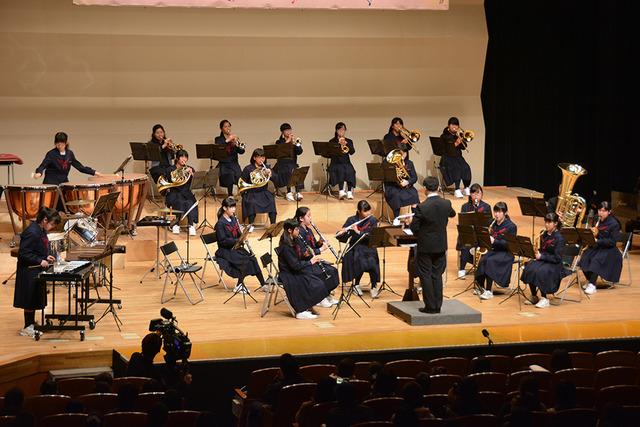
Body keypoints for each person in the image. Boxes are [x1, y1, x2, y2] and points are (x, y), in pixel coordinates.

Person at [408, 176, 456, 314]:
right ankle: (438, 305)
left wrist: (418, 227)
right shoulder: (446, 203)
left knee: (426, 275)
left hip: (426, 246)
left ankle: (430, 306)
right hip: (441, 245)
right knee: (437, 275)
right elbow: (452, 214)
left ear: (425, 190)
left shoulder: (422, 207)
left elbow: (414, 228)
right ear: (438, 188)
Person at [276, 220, 339, 319]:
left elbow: (298, 257)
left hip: (296, 270)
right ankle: (300, 311)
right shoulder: (285, 246)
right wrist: (310, 262)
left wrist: (306, 255)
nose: (298, 231)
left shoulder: (294, 240)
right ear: (289, 230)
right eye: (296, 229)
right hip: (288, 274)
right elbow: (295, 265)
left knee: (318, 282)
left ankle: (308, 306)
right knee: (313, 283)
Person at [13, 207, 60, 338]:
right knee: (28, 299)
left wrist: (46, 257)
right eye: (52, 224)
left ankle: (31, 323)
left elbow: (38, 248)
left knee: (33, 298)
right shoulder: (32, 232)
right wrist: (40, 260)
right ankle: (27, 327)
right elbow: (23, 253)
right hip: (28, 270)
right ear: (45, 220)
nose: (52, 227)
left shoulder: (40, 230)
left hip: (35, 268)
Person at [34, 132, 102, 211]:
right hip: (51, 184)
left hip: (63, 183)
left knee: (66, 206)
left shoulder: (69, 154)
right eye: (57, 143)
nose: (59, 146)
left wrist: (94, 172)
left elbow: (80, 167)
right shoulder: (51, 154)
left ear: (66, 143)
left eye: (61, 143)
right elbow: (43, 165)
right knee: (51, 208)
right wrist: (39, 172)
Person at [215, 197, 266, 293]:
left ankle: (263, 284)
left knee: (253, 258)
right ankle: (238, 286)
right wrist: (237, 240)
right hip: (225, 250)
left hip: (236, 247)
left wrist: (244, 233)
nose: (234, 209)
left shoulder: (233, 219)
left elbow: (238, 234)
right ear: (225, 208)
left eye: (234, 207)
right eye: (231, 207)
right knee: (245, 261)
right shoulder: (220, 224)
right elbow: (223, 241)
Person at [295, 207, 339, 307]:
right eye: (308, 216)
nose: (311, 218)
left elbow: (313, 245)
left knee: (332, 270)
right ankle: (319, 298)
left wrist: (320, 242)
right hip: (305, 262)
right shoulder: (298, 233)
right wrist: (321, 249)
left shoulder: (309, 230)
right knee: (321, 273)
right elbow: (305, 252)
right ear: (301, 218)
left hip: (313, 260)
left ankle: (326, 295)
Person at [521, 212, 567, 308]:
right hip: (544, 260)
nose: (546, 224)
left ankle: (544, 298)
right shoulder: (543, 234)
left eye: (549, 222)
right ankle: (534, 296)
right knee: (529, 267)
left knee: (541, 271)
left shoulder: (560, 238)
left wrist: (542, 257)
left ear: (555, 223)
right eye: (546, 222)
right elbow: (542, 250)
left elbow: (557, 258)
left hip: (555, 264)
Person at [336, 200, 380, 298]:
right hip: (355, 246)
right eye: (365, 211)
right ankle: (356, 284)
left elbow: (372, 236)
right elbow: (343, 237)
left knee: (372, 259)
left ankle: (374, 286)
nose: (368, 213)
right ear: (359, 211)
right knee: (359, 258)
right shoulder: (351, 220)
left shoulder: (372, 220)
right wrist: (343, 232)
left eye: (369, 211)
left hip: (368, 245)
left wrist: (358, 232)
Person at [475, 202, 517, 300]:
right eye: (495, 211)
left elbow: (509, 244)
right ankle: (481, 286)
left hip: (506, 253)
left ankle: (489, 291)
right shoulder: (492, 223)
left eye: (499, 212)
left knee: (490, 261)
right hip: (495, 250)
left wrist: (495, 241)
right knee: (483, 260)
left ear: (505, 213)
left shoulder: (511, 226)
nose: (496, 214)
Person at [579, 201, 623, 295]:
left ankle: (592, 284)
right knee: (584, 258)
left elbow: (612, 242)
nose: (601, 213)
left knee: (596, 260)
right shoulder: (596, 219)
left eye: (604, 211)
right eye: (599, 210)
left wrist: (598, 241)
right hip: (598, 246)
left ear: (609, 212)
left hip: (609, 249)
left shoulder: (614, 224)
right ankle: (589, 279)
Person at [456, 183, 492, 279]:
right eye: (473, 193)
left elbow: (489, 222)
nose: (476, 196)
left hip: (480, 233)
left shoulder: (486, 207)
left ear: (481, 194)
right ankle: (462, 268)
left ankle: (480, 265)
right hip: (469, 233)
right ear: (470, 195)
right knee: (464, 242)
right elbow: (462, 222)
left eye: (478, 193)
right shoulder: (465, 206)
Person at [163, 149, 198, 236]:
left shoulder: (190, 168)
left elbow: (194, 183)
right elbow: (171, 180)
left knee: (190, 202)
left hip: (186, 192)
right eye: (182, 157)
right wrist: (181, 172)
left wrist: (193, 175)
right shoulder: (170, 169)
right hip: (174, 192)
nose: (184, 159)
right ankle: (175, 225)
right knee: (179, 202)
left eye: (186, 157)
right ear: (177, 158)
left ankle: (191, 225)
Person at [240, 148, 278, 225]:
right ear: (254, 158)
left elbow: (276, 179)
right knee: (252, 202)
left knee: (271, 201)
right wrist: (244, 194)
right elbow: (242, 182)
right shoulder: (248, 169)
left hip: (263, 192)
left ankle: (273, 224)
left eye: (263, 157)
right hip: (251, 192)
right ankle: (251, 225)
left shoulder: (266, 168)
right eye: (259, 157)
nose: (262, 159)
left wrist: (271, 174)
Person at [439, 117, 472, 199]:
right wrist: (456, 142)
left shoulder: (458, 135)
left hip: (458, 157)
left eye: (456, 125)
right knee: (457, 168)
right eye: (453, 124)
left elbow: (464, 147)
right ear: (448, 125)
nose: (455, 126)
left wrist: (462, 140)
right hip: (447, 157)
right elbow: (448, 150)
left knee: (466, 167)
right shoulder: (444, 136)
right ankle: (457, 189)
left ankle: (466, 187)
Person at [384, 147, 420, 219]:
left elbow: (414, 178)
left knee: (414, 193)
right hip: (393, 187)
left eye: (404, 153)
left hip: (406, 186)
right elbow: (386, 178)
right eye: (400, 153)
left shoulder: (409, 163)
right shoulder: (389, 164)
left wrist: (407, 182)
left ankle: (416, 218)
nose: (402, 155)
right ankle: (397, 219)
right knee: (396, 196)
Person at [273, 123, 304, 201]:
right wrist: (288, 141)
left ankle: (297, 192)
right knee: (289, 169)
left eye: (290, 130)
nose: (289, 132)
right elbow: (280, 150)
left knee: (298, 170)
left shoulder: (294, 141)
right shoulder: (279, 142)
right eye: (286, 130)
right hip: (282, 164)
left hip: (292, 163)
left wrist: (297, 144)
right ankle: (289, 192)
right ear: (282, 132)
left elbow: (299, 152)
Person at [215, 119, 245, 196]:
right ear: (221, 129)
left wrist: (237, 144)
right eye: (225, 126)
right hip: (224, 163)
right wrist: (228, 140)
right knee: (229, 176)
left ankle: (243, 194)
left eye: (229, 126)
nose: (228, 128)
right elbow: (219, 148)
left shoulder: (234, 138)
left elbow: (241, 152)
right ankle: (230, 195)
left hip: (234, 163)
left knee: (239, 176)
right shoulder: (218, 139)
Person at [328, 122, 356, 200]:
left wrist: (346, 145)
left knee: (351, 170)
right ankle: (341, 191)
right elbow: (330, 153)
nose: (341, 131)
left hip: (346, 162)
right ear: (336, 131)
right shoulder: (332, 141)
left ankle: (349, 192)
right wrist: (338, 144)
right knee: (341, 170)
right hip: (336, 163)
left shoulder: (349, 141)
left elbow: (352, 152)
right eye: (340, 129)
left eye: (343, 130)